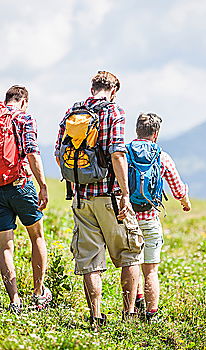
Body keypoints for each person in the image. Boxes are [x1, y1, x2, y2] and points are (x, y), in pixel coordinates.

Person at [55, 71, 144, 326]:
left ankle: (95, 317)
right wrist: (126, 194)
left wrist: (76, 182)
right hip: (110, 197)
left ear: (92, 87)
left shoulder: (73, 112)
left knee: (90, 261)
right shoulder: (114, 112)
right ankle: (128, 314)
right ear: (114, 90)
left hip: (81, 198)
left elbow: (58, 152)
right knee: (130, 252)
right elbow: (117, 154)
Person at [128, 113, 191, 322]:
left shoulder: (124, 153)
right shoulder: (162, 156)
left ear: (137, 130)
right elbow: (177, 188)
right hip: (149, 217)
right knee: (151, 269)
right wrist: (185, 202)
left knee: (132, 264)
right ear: (155, 134)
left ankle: (133, 306)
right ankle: (152, 314)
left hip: (127, 217)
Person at [0, 85, 52, 313]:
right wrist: (42, 185)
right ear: (24, 101)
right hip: (21, 185)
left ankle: (14, 301)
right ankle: (38, 293)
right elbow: (32, 152)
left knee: (4, 246)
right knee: (37, 237)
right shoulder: (24, 119)